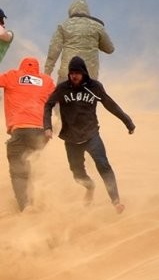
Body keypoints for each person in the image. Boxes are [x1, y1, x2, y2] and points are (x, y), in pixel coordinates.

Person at [43, 56, 135, 213]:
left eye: (77, 72)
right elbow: (48, 105)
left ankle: (115, 201)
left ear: (84, 72)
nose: (74, 76)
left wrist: (127, 121)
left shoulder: (94, 87)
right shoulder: (62, 88)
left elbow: (110, 104)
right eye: (71, 72)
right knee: (77, 174)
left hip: (91, 135)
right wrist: (47, 126)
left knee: (103, 165)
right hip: (71, 138)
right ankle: (90, 186)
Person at [0, 57, 55, 211]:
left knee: (18, 172)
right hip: (40, 132)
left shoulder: (13, 76)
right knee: (34, 164)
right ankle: (39, 200)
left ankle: (25, 205)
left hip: (19, 130)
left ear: (21, 67)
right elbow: (58, 98)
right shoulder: (47, 81)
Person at [44, 0, 114, 80]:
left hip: (67, 75)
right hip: (89, 77)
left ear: (70, 11)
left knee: (62, 93)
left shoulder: (63, 26)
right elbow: (109, 49)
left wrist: (47, 73)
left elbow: (53, 50)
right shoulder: (97, 27)